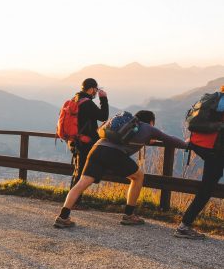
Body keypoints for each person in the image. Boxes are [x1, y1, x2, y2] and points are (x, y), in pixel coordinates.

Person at [54, 110, 187, 228]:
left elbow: (128, 138)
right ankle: (129, 215)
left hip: (96, 149)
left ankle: (63, 217)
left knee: (82, 182)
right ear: (151, 121)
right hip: (114, 154)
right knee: (138, 177)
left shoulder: (126, 124)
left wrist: (147, 141)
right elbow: (170, 139)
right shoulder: (149, 128)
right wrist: (185, 144)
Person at [174, 85, 224, 239]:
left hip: (199, 145)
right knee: (206, 188)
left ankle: (184, 225)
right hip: (213, 150)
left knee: (210, 182)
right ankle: (184, 226)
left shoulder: (214, 99)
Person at [69, 78, 109, 190]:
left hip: (75, 141)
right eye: (96, 89)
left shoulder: (76, 99)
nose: (96, 92)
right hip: (84, 142)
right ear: (91, 89)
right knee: (81, 172)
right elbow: (103, 116)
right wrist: (103, 98)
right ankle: (74, 201)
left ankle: (72, 199)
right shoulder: (87, 103)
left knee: (78, 171)